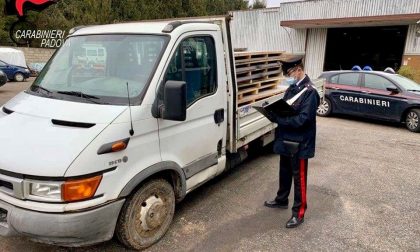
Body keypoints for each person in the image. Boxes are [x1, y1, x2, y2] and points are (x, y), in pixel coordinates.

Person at [264, 56, 320, 228]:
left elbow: (303, 119)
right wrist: (271, 113)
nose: (287, 76)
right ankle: (281, 199)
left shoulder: (310, 92)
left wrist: (280, 120)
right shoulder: (292, 88)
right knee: (285, 172)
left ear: (298, 69)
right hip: (286, 139)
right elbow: (286, 108)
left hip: (300, 143)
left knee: (299, 178)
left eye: (289, 73)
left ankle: (299, 212)